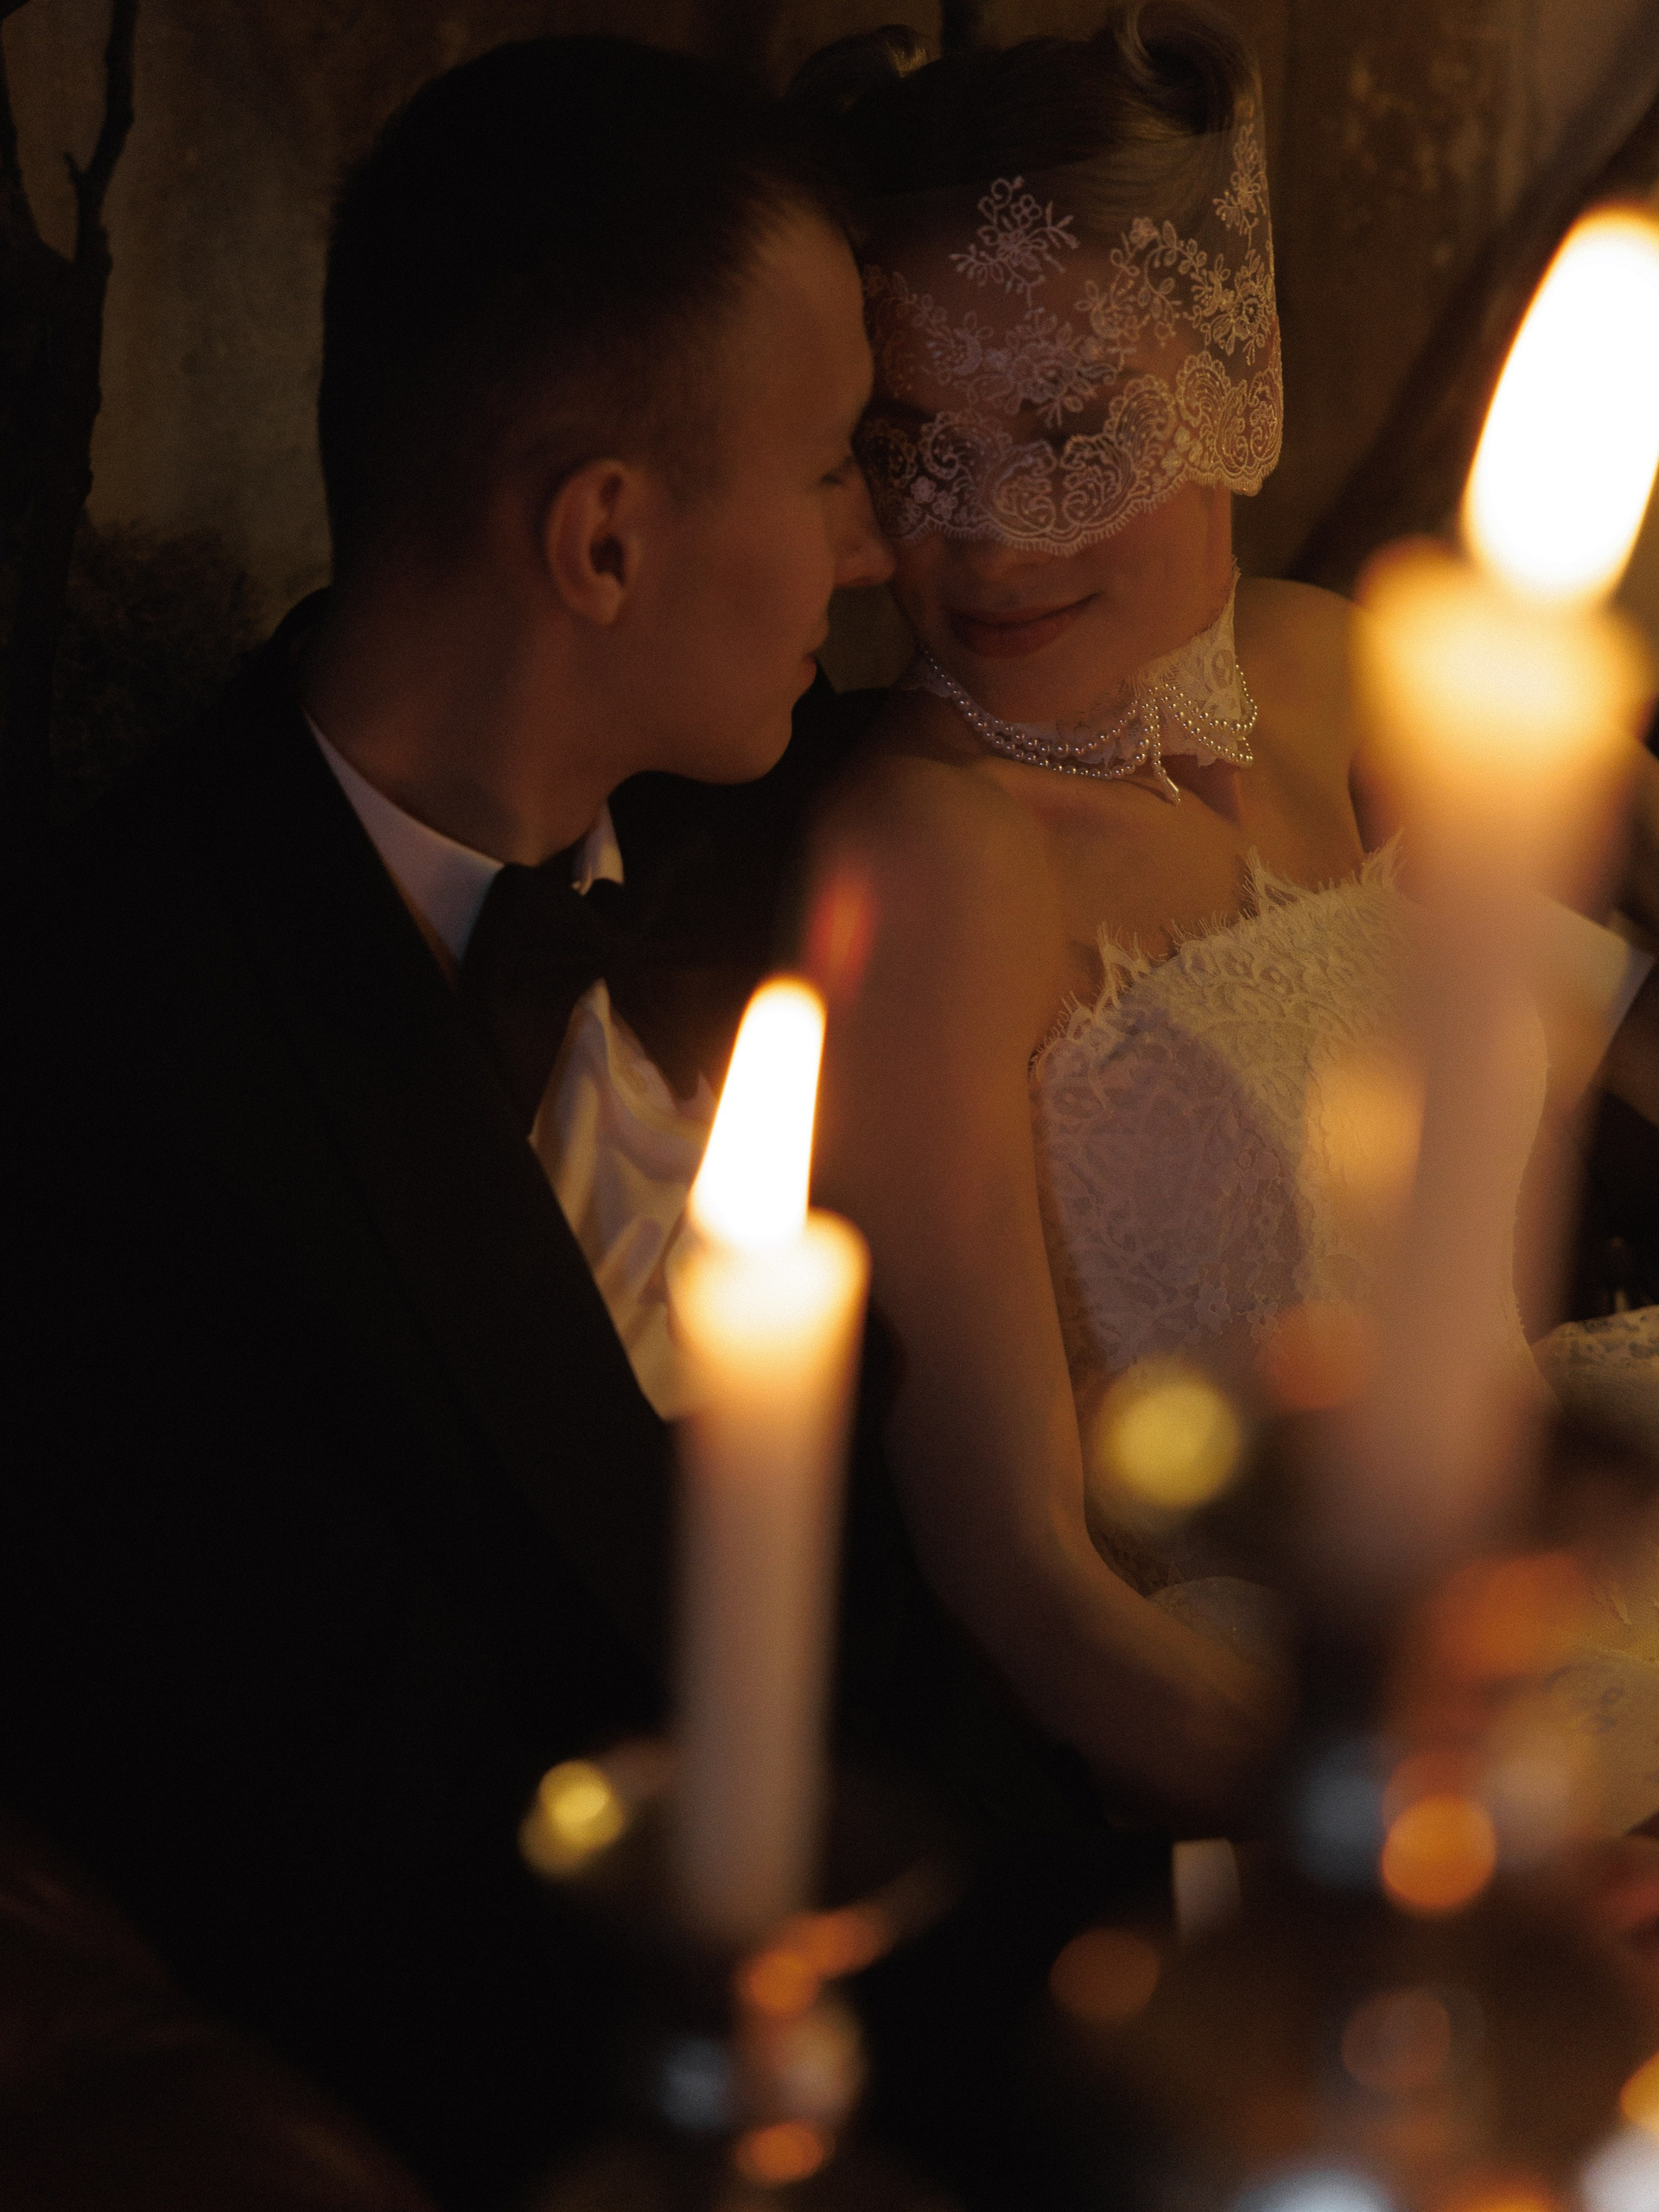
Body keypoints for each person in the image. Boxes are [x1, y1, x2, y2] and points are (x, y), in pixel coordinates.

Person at [6, 37, 892, 2209]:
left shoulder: (809, 847)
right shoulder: (115, 1074)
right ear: (605, 536)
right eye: (829, 468)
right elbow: (398, 1909)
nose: (875, 549)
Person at [791, 7, 1659, 1824]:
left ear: (1233, 368)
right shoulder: (932, 859)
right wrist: (1397, 1827)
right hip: (1262, 1719)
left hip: (1539, 1562)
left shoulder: (1334, 674)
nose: (991, 540)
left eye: (1069, 431)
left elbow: (1601, 1005)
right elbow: (1017, 1570)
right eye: (915, 449)